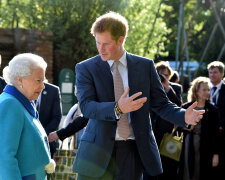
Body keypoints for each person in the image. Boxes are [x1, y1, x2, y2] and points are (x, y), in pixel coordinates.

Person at [73, 11, 205, 180]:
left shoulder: (145, 66)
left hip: (132, 154)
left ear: (121, 40)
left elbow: (161, 104)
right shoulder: (85, 68)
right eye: (98, 42)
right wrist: (117, 108)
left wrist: (183, 115)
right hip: (95, 154)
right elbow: (86, 106)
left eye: (106, 44)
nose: (100, 49)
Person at [0, 53, 55, 180]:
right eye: (38, 80)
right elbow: (4, 157)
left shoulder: (21, 101)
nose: (43, 86)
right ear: (20, 80)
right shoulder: (10, 104)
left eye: (43, 80)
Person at [144, 61, 183, 180]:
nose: (162, 76)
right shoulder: (148, 87)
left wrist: (167, 88)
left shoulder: (175, 87)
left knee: (167, 167)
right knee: (150, 166)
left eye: (165, 74)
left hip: (168, 132)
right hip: (150, 130)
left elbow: (178, 106)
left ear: (169, 75)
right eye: (159, 73)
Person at [178, 77, 220, 180]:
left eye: (208, 89)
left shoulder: (213, 110)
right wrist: (187, 127)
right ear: (196, 91)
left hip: (206, 147)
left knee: (202, 172)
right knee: (187, 171)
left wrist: (216, 154)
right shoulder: (186, 107)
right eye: (204, 89)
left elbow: (216, 134)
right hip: (187, 144)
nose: (207, 92)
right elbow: (177, 128)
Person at [207, 61, 225, 179]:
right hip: (208, 134)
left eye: (215, 72)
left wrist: (221, 125)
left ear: (222, 74)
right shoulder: (205, 88)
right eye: (210, 72)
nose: (212, 75)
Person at [35, 81, 62, 158]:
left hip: (46, 143)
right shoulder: (23, 89)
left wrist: (42, 135)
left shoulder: (53, 90)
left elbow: (56, 117)